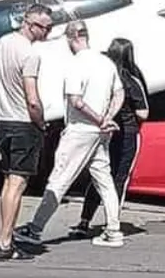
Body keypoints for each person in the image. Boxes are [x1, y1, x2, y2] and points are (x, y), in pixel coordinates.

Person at [14, 20, 127, 248]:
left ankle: (35, 229)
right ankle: (114, 230)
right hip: (100, 133)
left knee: (60, 179)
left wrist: (99, 119)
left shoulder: (76, 65)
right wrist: (107, 119)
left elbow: (76, 101)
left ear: (71, 38)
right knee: (104, 179)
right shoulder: (106, 62)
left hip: (80, 130)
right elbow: (119, 93)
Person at [68, 38, 149, 243]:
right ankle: (112, 224)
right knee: (119, 178)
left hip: (102, 131)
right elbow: (143, 112)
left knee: (98, 176)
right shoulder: (130, 78)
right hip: (127, 133)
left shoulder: (102, 74)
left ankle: (84, 221)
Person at [0, 3, 53, 262]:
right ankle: (5, 242)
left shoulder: (3, 43)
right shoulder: (30, 54)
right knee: (18, 184)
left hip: (3, 121)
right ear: (29, 23)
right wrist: (41, 123)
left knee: (9, 183)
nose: (48, 33)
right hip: (22, 123)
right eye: (45, 27)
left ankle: (5, 236)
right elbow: (32, 99)